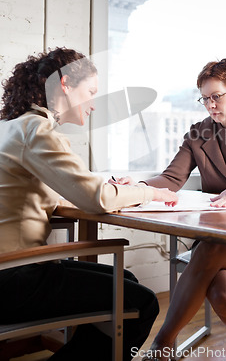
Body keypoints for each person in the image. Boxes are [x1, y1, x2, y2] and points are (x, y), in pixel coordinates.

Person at [0, 47, 178, 361]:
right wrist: (149, 192)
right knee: (142, 302)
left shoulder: (12, 127)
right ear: (65, 84)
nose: (94, 104)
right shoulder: (36, 131)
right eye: (91, 92)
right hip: (14, 277)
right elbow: (96, 199)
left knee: (127, 282)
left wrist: (106, 187)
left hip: (11, 270)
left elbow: (57, 191)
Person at [117, 58, 226, 361]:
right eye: (205, 98)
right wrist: (138, 184)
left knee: (208, 251)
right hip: (219, 234)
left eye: (216, 97)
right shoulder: (198, 133)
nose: (210, 105)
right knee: (221, 292)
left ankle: (163, 343)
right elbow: (171, 179)